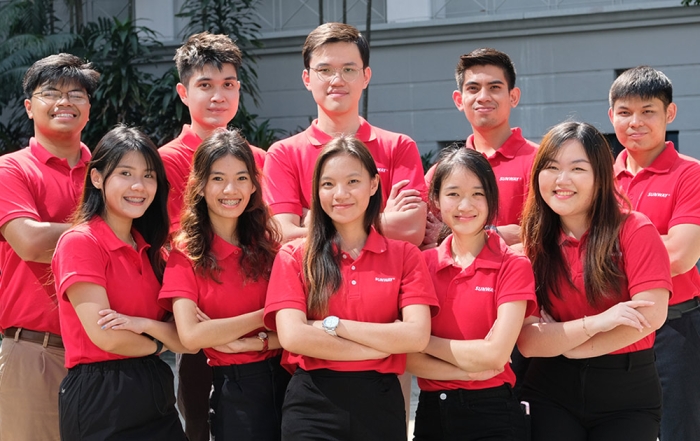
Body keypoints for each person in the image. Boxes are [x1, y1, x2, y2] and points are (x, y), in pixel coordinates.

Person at [264, 136, 439, 440]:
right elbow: (293, 336)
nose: (340, 194)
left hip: (380, 404)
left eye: (353, 181)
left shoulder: (405, 256)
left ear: (373, 185)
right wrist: (385, 346)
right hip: (312, 406)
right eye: (328, 184)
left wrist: (332, 326)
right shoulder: (294, 256)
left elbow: (416, 335)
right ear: (316, 192)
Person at [518, 121, 672, 441]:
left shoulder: (634, 229)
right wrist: (600, 322)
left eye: (577, 168)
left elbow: (650, 315)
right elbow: (529, 341)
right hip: (550, 388)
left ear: (601, 176)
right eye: (551, 167)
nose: (562, 180)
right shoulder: (534, 242)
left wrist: (570, 345)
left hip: (627, 392)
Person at [159, 31, 266, 441]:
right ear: (184, 93)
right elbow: (170, 242)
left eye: (228, 85)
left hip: (261, 338)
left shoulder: (258, 158)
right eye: (205, 85)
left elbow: (266, 234)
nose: (218, 96)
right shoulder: (165, 161)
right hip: (201, 328)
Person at [51, 125, 188, 440]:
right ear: (97, 178)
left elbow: (186, 337)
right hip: (100, 395)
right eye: (125, 173)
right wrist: (160, 341)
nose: (139, 186)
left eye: (149, 175)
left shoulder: (154, 251)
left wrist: (141, 325)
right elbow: (107, 337)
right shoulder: (80, 242)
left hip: (154, 387)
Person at [159, 129, 289, 440]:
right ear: (200, 185)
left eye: (242, 178)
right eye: (218, 178)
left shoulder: (272, 248)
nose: (231, 189)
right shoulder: (185, 255)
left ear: (254, 184)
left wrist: (247, 340)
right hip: (235, 393)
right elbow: (190, 336)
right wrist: (269, 316)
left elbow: (296, 329)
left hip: (290, 384)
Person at [0, 53, 99, 441]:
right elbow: (31, 242)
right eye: (51, 93)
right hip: (37, 351)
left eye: (77, 94)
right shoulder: (11, 169)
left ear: (89, 108)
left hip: (107, 353)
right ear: (28, 106)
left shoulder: (110, 170)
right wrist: (109, 230)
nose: (65, 102)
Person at [408, 146, 536, 441]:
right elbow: (404, 358)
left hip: (494, 415)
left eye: (477, 194)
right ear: (436, 202)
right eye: (453, 194)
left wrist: (422, 340)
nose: (465, 205)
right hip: (431, 415)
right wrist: (466, 372)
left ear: (492, 200)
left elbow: (495, 354)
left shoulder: (513, 265)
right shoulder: (421, 266)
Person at [263, 22, 427, 247]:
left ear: (366, 77)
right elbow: (283, 237)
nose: (337, 80)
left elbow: (411, 230)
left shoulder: (398, 146)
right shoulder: (284, 154)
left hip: (387, 281)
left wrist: (314, 221)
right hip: (315, 280)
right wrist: (382, 220)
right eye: (325, 70)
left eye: (349, 70)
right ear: (307, 78)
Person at [608, 66, 700, 441]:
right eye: (625, 112)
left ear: (670, 113)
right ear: (611, 115)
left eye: (648, 111)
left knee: (678, 429)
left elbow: (680, 255)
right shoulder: (601, 179)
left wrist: (606, 245)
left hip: (674, 329)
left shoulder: (689, 174)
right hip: (613, 326)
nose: (636, 122)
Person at [424, 48, 537, 248]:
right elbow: (424, 242)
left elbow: (550, 236)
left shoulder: (540, 161)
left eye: (494, 87)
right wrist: (498, 234)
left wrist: (455, 236)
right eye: (473, 88)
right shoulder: (440, 172)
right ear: (459, 100)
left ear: (513, 97)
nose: (483, 97)